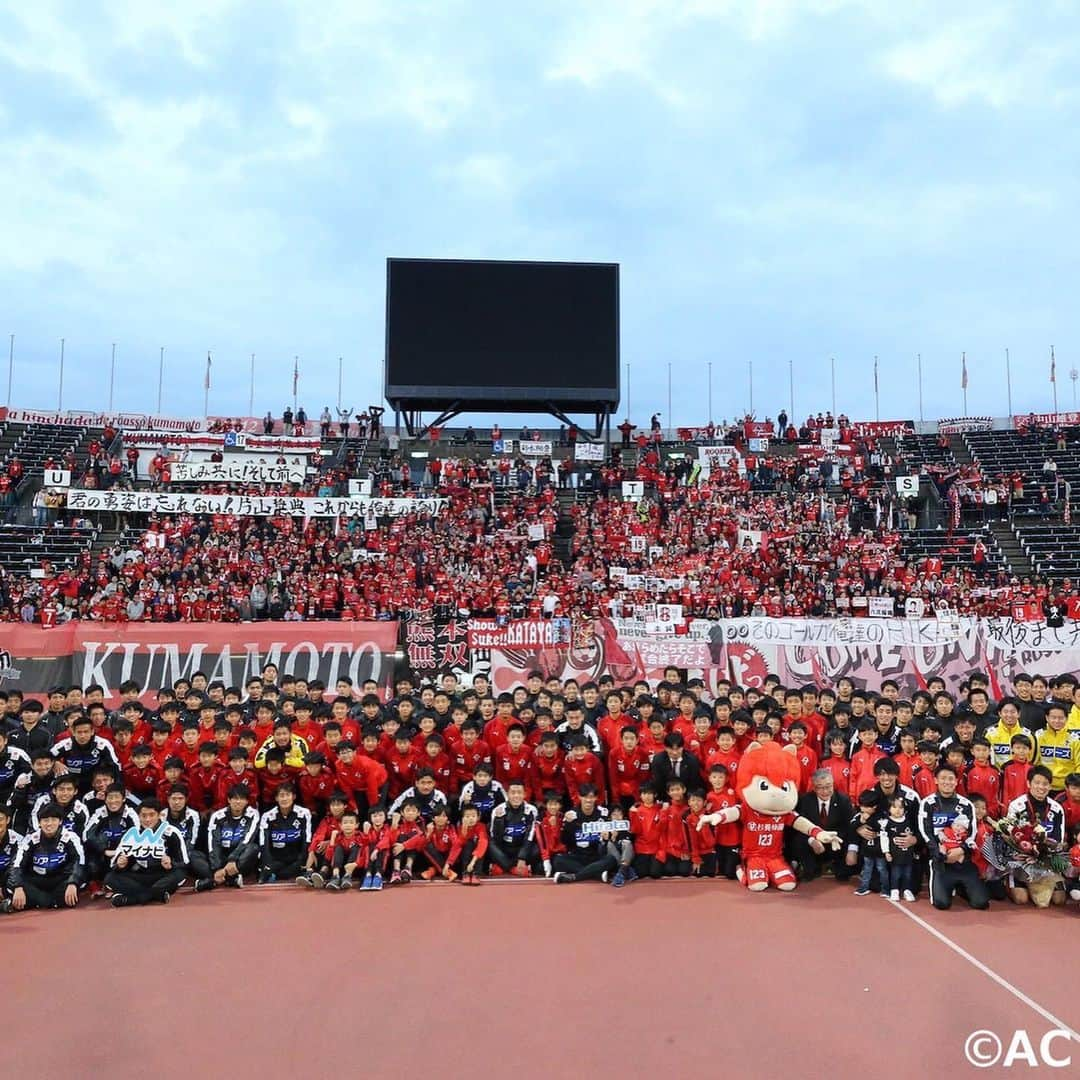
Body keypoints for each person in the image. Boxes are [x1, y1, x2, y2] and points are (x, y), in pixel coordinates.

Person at [917, 765, 989, 911]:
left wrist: (961, 850)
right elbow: (925, 832)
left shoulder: (966, 804)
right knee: (942, 904)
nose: (947, 782)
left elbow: (972, 832)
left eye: (951, 779)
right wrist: (939, 853)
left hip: (963, 861)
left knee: (981, 904)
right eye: (943, 778)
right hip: (942, 862)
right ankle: (946, 885)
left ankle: (963, 888)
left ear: (956, 781)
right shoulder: (927, 803)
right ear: (936, 780)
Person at [104, 799, 189, 907]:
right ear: (138, 817)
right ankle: (155, 895)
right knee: (110, 878)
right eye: (143, 816)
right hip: (141, 875)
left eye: (151, 815)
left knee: (178, 876)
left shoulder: (171, 832)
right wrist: (121, 865)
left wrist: (170, 864)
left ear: (159, 815)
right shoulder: (132, 833)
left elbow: (184, 863)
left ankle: (130, 899)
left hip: (163, 874)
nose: (147, 819)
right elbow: (115, 863)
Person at [2, 802, 84, 913]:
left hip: (60, 879)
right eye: (45, 820)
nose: (49, 824)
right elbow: (17, 865)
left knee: (75, 889)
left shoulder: (70, 837)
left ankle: (32, 902)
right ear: (40, 823)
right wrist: (18, 887)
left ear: (60, 822)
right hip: (36, 880)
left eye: (53, 820)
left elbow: (79, 860)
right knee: (10, 885)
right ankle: (50, 902)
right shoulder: (30, 839)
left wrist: (72, 883)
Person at [790, 769, 853, 881]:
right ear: (814, 788)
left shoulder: (843, 800)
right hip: (814, 843)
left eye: (828, 786)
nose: (825, 791)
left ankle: (836, 866)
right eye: (820, 787)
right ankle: (809, 867)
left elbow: (848, 827)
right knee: (798, 842)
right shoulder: (805, 801)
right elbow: (798, 828)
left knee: (844, 872)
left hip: (835, 842)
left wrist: (834, 838)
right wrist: (812, 840)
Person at [552, 785, 618, 884]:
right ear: (580, 797)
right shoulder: (571, 814)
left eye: (591, 797)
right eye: (585, 797)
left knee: (611, 860)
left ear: (596, 798)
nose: (588, 800)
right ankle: (597, 874)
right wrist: (568, 826)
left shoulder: (603, 813)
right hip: (576, 855)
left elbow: (607, 839)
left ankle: (574, 877)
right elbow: (564, 841)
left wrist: (607, 836)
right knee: (557, 861)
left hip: (595, 856)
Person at [201, 785, 260, 890]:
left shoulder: (253, 814)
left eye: (242, 799)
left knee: (253, 848)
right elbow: (214, 842)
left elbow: (248, 838)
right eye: (235, 798)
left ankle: (214, 880)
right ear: (229, 800)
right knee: (194, 855)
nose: (238, 802)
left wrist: (233, 859)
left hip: (239, 860)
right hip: (221, 857)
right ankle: (229, 878)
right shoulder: (217, 816)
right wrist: (217, 867)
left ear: (247, 801)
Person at [258, 783, 313, 884]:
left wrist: (301, 860)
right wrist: (268, 863)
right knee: (266, 871)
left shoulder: (304, 813)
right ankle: (270, 871)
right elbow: (263, 843)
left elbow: (307, 839)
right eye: (281, 795)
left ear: (294, 797)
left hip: (296, 858)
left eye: (287, 795)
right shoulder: (267, 816)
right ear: (276, 798)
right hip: (276, 858)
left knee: (288, 872)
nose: (284, 799)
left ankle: (281, 873)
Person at [487, 781, 539, 876]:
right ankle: (513, 869)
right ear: (507, 794)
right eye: (513, 793)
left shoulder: (531, 810)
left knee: (536, 849)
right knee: (489, 844)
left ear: (524, 794)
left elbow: (530, 836)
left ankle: (503, 866)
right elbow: (495, 837)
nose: (516, 796)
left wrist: (522, 857)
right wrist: (499, 820)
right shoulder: (498, 810)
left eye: (519, 793)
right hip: (503, 848)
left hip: (521, 846)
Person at [880, 795, 918, 902]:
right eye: (894, 807)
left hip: (908, 855)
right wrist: (886, 852)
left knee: (908, 874)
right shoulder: (886, 823)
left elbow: (913, 835)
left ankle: (906, 890)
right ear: (889, 809)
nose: (898, 810)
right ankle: (894, 889)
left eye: (900, 808)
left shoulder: (909, 821)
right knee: (896, 874)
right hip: (895, 855)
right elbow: (884, 838)